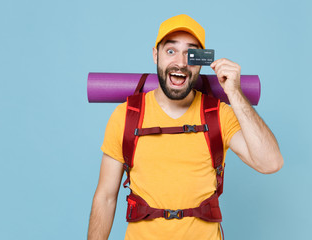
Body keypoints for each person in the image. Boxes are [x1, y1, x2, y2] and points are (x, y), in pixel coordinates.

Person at [87, 14, 284, 240]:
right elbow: (105, 197)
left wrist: (235, 94)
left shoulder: (219, 114)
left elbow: (271, 163)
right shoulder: (127, 115)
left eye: (191, 54)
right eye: (171, 51)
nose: (180, 63)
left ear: (200, 60)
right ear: (155, 55)